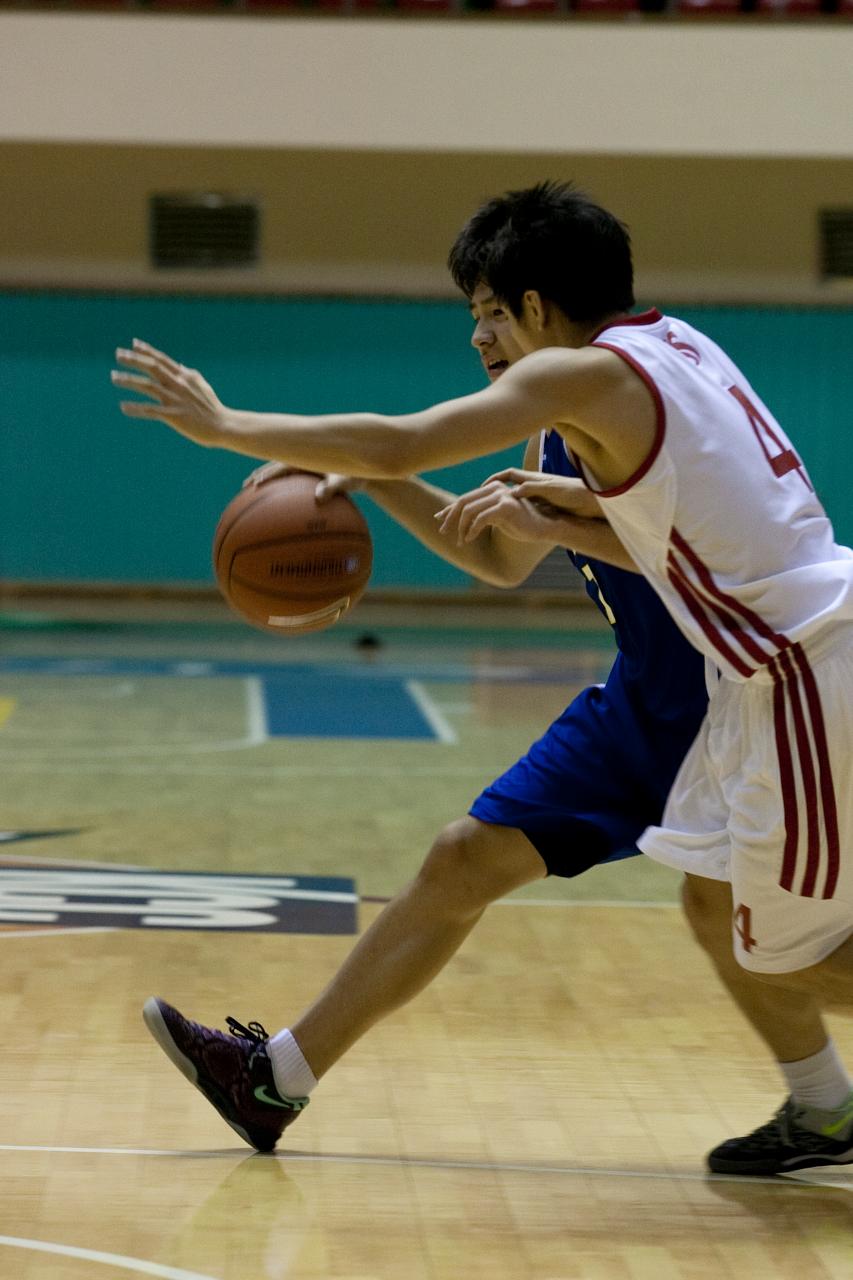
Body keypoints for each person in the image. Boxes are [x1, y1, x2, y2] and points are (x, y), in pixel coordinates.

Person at [112, 181, 853, 1176]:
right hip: (745, 666)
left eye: (489, 312)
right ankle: (274, 1078)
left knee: (793, 951)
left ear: (538, 306)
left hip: (785, 671)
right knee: (550, 873)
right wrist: (554, 512)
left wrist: (229, 423)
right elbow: (556, 551)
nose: (479, 336)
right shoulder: (671, 352)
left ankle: (824, 1105)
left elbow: (407, 437)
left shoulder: (584, 383)